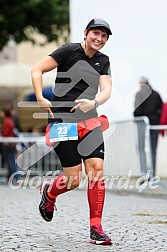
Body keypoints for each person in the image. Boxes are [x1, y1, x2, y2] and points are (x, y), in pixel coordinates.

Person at [31, 18, 112, 245]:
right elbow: (37, 69)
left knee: (96, 170)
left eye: (104, 36)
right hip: (62, 122)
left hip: (90, 121)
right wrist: (39, 97)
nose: (99, 39)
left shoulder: (103, 61)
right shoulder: (68, 51)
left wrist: (94, 101)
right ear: (86, 33)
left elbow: (107, 89)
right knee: (73, 179)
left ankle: (96, 228)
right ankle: (50, 193)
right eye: (96, 33)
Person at [134, 77, 163, 177]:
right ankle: (152, 173)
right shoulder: (156, 94)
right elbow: (161, 108)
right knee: (153, 149)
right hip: (154, 124)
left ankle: (144, 173)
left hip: (143, 124)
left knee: (142, 148)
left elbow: (136, 110)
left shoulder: (140, 94)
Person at [1, 106, 19, 182]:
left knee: (11, 161)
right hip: (10, 143)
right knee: (11, 161)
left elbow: (6, 133)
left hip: (8, 144)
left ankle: (15, 177)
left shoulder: (7, 121)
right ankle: (13, 177)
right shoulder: (10, 120)